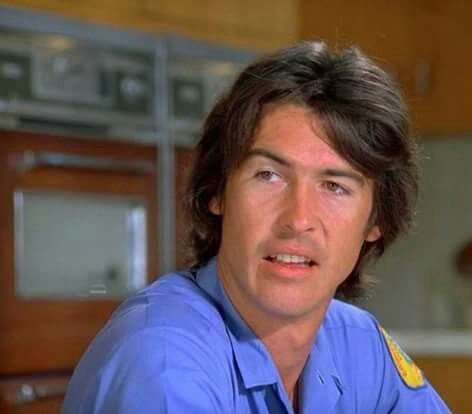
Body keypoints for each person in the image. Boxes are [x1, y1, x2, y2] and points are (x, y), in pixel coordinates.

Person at [63, 41, 450, 413]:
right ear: (217, 192)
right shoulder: (161, 366)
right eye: (268, 175)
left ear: (376, 220)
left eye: (334, 186)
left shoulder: (359, 344)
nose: (298, 219)